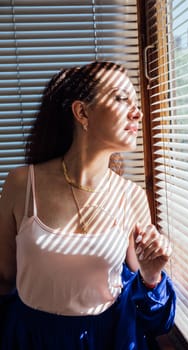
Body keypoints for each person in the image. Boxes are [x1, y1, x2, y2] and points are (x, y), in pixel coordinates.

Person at [0, 61, 176, 350]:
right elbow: (3, 278)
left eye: (135, 101)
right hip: (32, 339)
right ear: (82, 112)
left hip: (110, 340)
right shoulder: (22, 184)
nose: (137, 111)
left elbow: (155, 322)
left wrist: (151, 275)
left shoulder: (130, 197)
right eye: (121, 98)